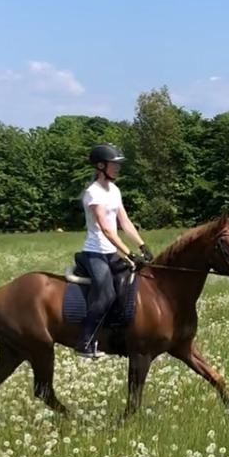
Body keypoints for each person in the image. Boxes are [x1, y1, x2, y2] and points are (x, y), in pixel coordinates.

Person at [76, 143, 153, 358]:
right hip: (95, 252)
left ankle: (119, 332)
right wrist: (128, 254)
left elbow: (125, 222)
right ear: (101, 166)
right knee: (106, 293)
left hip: (111, 251)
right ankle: (86, 341)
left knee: (132, 286)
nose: (118, 169)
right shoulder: (93, 193)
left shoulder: (114, 190)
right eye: (114, 165)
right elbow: (107, 229)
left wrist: (142, 245)